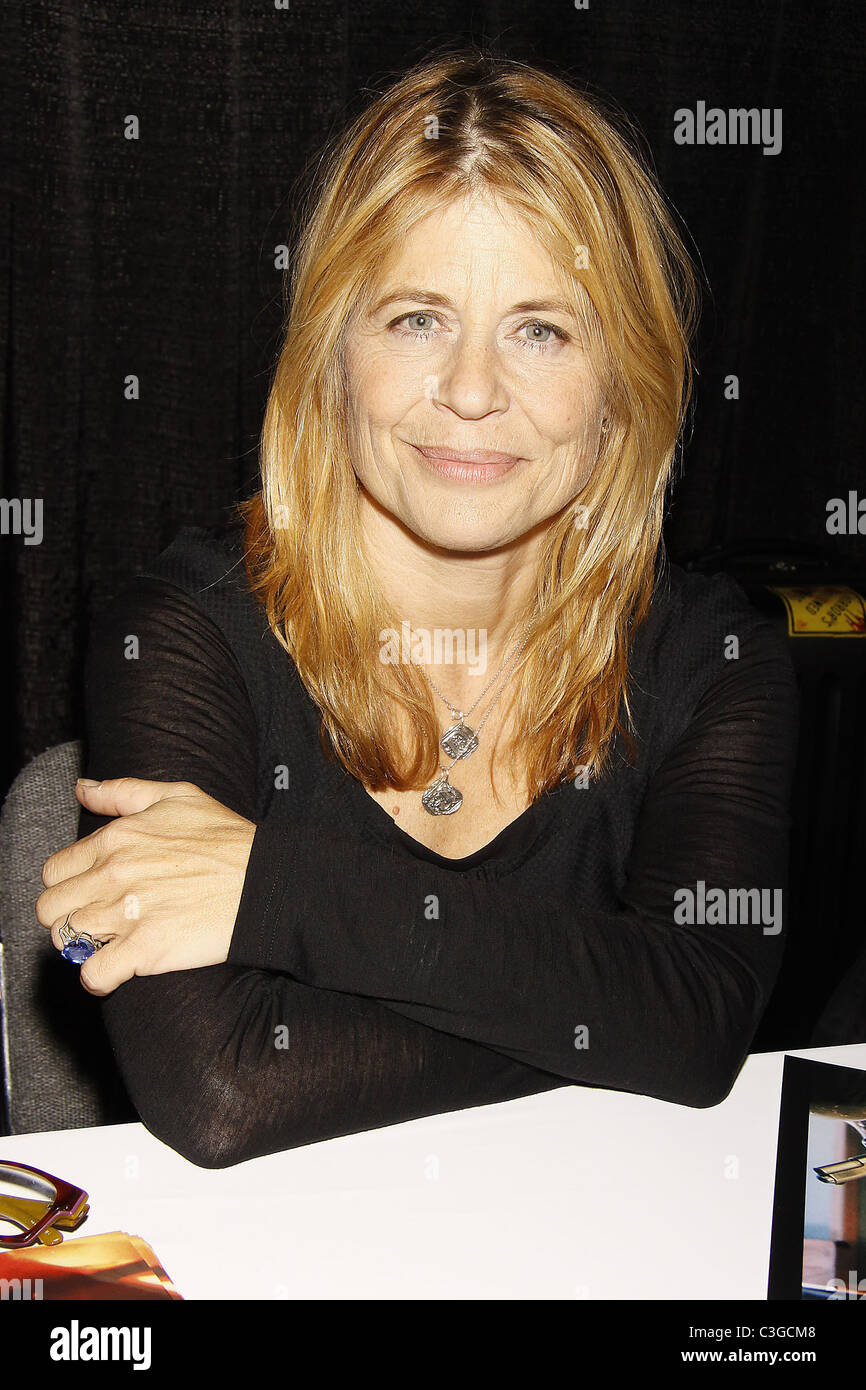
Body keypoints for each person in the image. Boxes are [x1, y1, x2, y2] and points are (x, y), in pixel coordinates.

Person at [35, 48, 799, 1168]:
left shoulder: (715, 659)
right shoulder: (185, 631)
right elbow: (224, 1091)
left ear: (620, 388)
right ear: (330, 357)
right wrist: (622, 1011)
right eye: (414, 319)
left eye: (540, 328)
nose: (474, 392)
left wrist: (275, 887)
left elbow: (702, 1018)